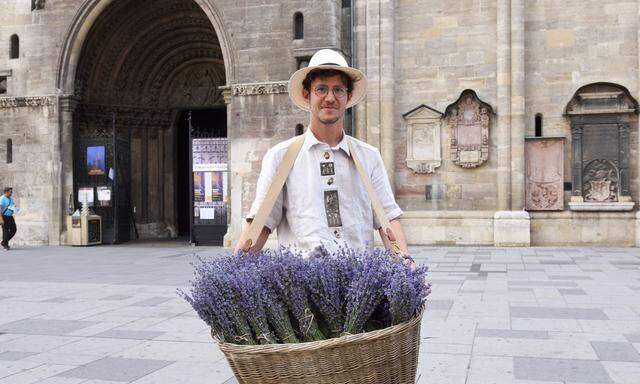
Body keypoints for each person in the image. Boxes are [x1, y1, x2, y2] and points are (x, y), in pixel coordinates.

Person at [235, 49, 413, 264]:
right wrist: (234, 272)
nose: (330, 98)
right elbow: (259, 225)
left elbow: (388, 222)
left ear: (348, 97)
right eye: (321, 89)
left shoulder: (369, 157)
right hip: (299, 287)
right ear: (306, 95)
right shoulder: (280, 157)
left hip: (359, 289)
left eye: (338, 90)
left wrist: (407, 267)